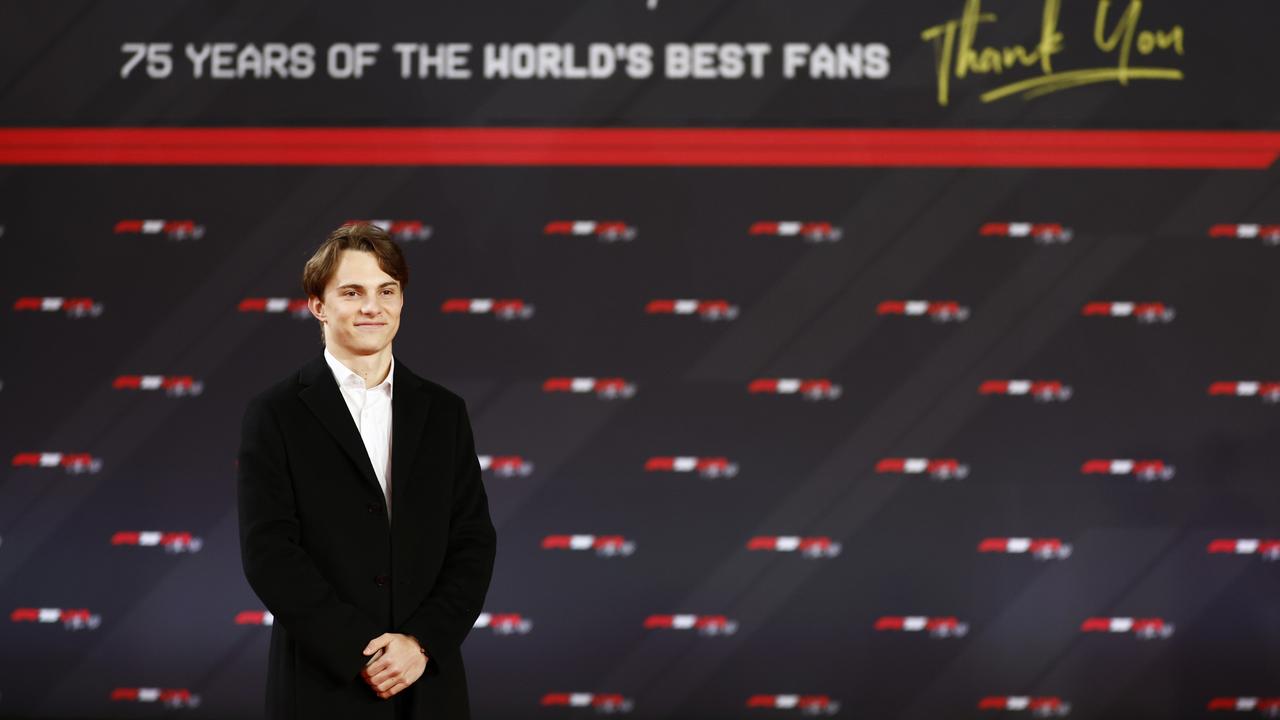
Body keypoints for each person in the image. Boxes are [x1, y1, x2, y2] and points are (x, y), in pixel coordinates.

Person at [237, 222, 496, 719]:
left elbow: (473, 541)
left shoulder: (445, 411)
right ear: (318, 305)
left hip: (428, 682)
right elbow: (268, 552)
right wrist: (361, 649)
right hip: (321, 684)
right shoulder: (275, 413)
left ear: (401, 301)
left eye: (386, 291)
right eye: (352, 292)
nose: (372, 307)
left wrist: (420, 644)